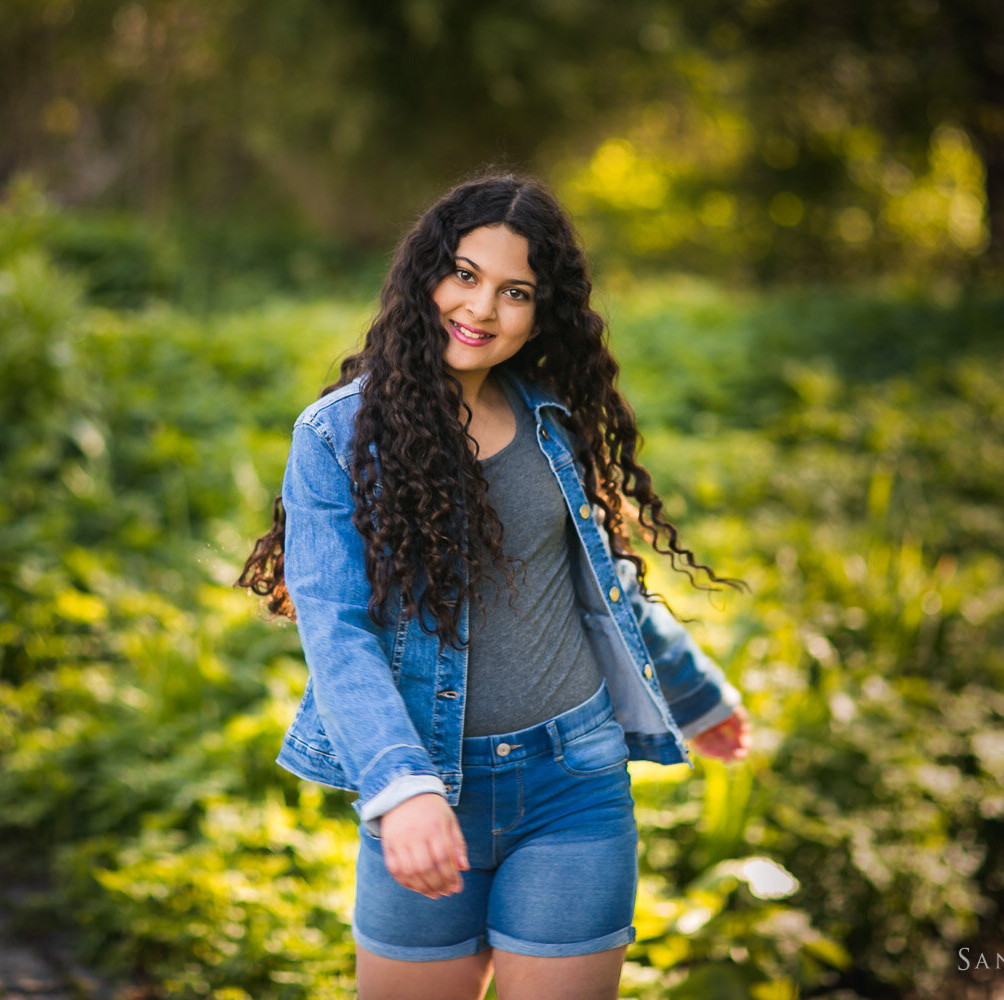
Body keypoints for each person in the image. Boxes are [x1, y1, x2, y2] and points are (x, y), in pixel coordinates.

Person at [238, 173, 751, 1000]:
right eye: (465, 274)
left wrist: (696, 692)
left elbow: (600, 583)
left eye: (515, 291)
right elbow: (336, 632)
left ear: (543, 312)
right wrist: (400, 789)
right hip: (426, 786)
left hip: (574, 784)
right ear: (424, 276)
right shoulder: (336, 436)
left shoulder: (553, 420)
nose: (482, 308)